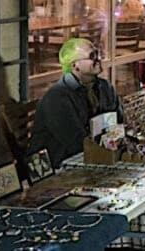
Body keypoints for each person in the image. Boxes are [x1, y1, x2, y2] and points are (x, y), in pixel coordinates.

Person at [30, 38, 122, 167]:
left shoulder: (105, 87)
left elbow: (119, 121)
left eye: (98, 54)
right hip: (60, 163)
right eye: (92, 56)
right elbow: (76, 143)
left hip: (96, 155)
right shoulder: (57, 98)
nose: (99, 59)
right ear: (75, 66)